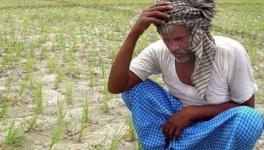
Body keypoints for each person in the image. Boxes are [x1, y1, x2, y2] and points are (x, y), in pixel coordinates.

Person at [108, 0, 264, 149]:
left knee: (249, 120)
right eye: (166, 40)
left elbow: (247, 107)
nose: (173, 47)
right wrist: (135, 33)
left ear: (198, 32)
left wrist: (193, 112)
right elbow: (116, 86)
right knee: (133, 89)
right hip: (176, 126)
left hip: (214, 127)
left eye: (179, 39)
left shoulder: (230, 53)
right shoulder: (159, 51)